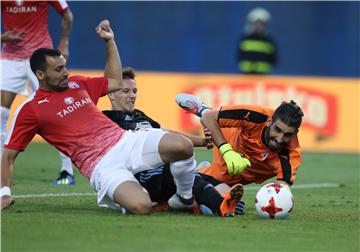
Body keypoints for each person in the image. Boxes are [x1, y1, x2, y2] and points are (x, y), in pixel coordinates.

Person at [102, 67, 244, 216]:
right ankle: (219, 206)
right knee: (185, 174)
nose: (132, 96)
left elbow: (168, 134)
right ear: (111, 94)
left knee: (215, 184)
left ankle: (202, 202)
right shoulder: (106, 120)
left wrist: (203, 141)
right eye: (126, 91)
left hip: (166, 172)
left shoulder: (141, 116)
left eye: (134, 91)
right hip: (145, 176)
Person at [176, 93, 304, 214]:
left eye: (287, 135)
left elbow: (284, 185)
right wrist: (227, 152)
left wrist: (282, 201)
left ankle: (202, 172)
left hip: (241, 174)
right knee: (220, 205)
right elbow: (208, 119)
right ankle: (202, 109)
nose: (280, 139)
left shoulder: (290, 155)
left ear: (295, 133)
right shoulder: (256, 115)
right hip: (228, 146)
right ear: (269, 122)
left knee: (236, 207)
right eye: (277, 130)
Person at [0, 0, 75, 185]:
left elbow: (67, 14)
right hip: (11, 58)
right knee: (1, 112)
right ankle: (2, 170)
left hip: (41, 58)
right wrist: (2, 37)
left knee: (56, 110)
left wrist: (64, 43)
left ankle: (67, 171)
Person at [237, 7, 277, 74]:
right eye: (256, 23)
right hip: (246, 76)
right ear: (251, 24)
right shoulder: (245, 39)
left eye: (261, 24)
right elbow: (239, 57)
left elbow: (274, 60)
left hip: (263, 76)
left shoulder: (269, 41)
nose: (258, 26)